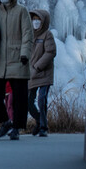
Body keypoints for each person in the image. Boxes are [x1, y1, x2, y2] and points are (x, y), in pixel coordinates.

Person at [0, 0, 33, 140]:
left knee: (20, 98)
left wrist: (25, 54)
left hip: (18, 59)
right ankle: (5, 121)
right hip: (0, 59)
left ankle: (17, 127)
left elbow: (28, 34)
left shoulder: (22, 11)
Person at [27, 9, 55, 137]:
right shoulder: (29, 35)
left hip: (44, 73)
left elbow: (50, 52)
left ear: (43, 21)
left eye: (38, 19)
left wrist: (38, 66)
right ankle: (39, 120)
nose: (36, 22)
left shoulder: (47, 35)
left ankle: (44, 127)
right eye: (33, 19)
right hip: (31, 74)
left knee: (41, 99)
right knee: (28, 101)